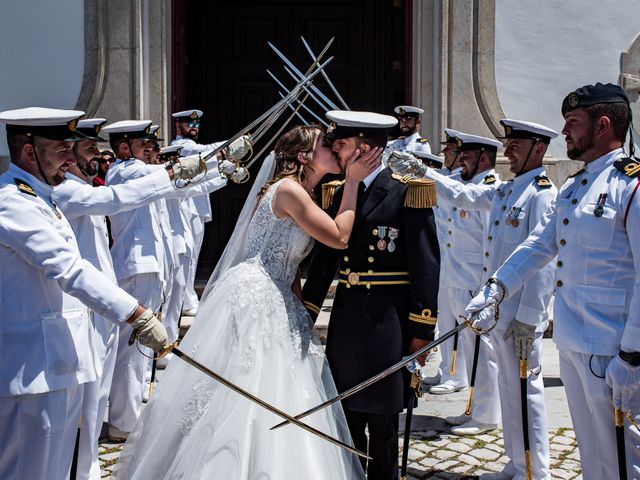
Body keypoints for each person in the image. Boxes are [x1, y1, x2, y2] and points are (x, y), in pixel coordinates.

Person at [114, 124, 381, 479]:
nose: (333, 148)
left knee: (279, 387)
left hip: (278, 293)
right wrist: (352, 182)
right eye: (324, 145)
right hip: (255, 296)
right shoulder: (288, 191)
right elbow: (339, 236)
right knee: (246, 388)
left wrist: (300, 308)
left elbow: (288, 262)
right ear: (304, 157)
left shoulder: (302, 192)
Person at [466, 83, 640, 479]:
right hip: (573, 341)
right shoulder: (576, 187)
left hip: (614, 347)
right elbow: (537, 245)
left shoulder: (629, 186)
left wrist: (632, 355)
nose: (565, 133)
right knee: (593, 453)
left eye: (573, 123)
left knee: (624, 456)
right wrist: (496, 289)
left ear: (603, 125)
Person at [0, 107, 168, 480]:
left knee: (58, 470)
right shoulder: (13, 202)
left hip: (57, 363)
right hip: (31, 372)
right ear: (30, 153)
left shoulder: (43, 197)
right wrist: (136, 314)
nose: (69, 160)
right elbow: (68, 269)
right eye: (62, 150)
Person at [51, 118, 207, 480]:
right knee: (91, 391)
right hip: (87, 302)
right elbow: (117, 197)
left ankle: (92, 460)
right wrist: (175, 171)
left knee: (99, 388)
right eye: (88, 149)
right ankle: (106, 439)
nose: (97, 155)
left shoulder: (81, 186)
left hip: (103, 297)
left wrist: (211, 168)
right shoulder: (70, 191)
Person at [303, 110, 440, 479]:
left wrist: (421, 331)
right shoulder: (337, 191)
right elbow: (324, 261)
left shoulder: (408, 190)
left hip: (387, 323)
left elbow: (426, 265)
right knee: (345, 414)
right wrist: (306, 313)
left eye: (342, 145)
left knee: (382, 423)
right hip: (347, 320)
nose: (335, 151)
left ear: (365, 148)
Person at [171, 109, 224, 316]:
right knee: (188, 255)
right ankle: (186, 301)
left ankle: (188, 298)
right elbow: (206, 152)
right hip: (186, 205)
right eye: (189, 124)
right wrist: (232, 143)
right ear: (178, 126)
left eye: (196, 125)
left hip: (197, 205)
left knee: (193, 255)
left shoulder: (190, 146)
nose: (194, 128)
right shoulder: (181, 146)